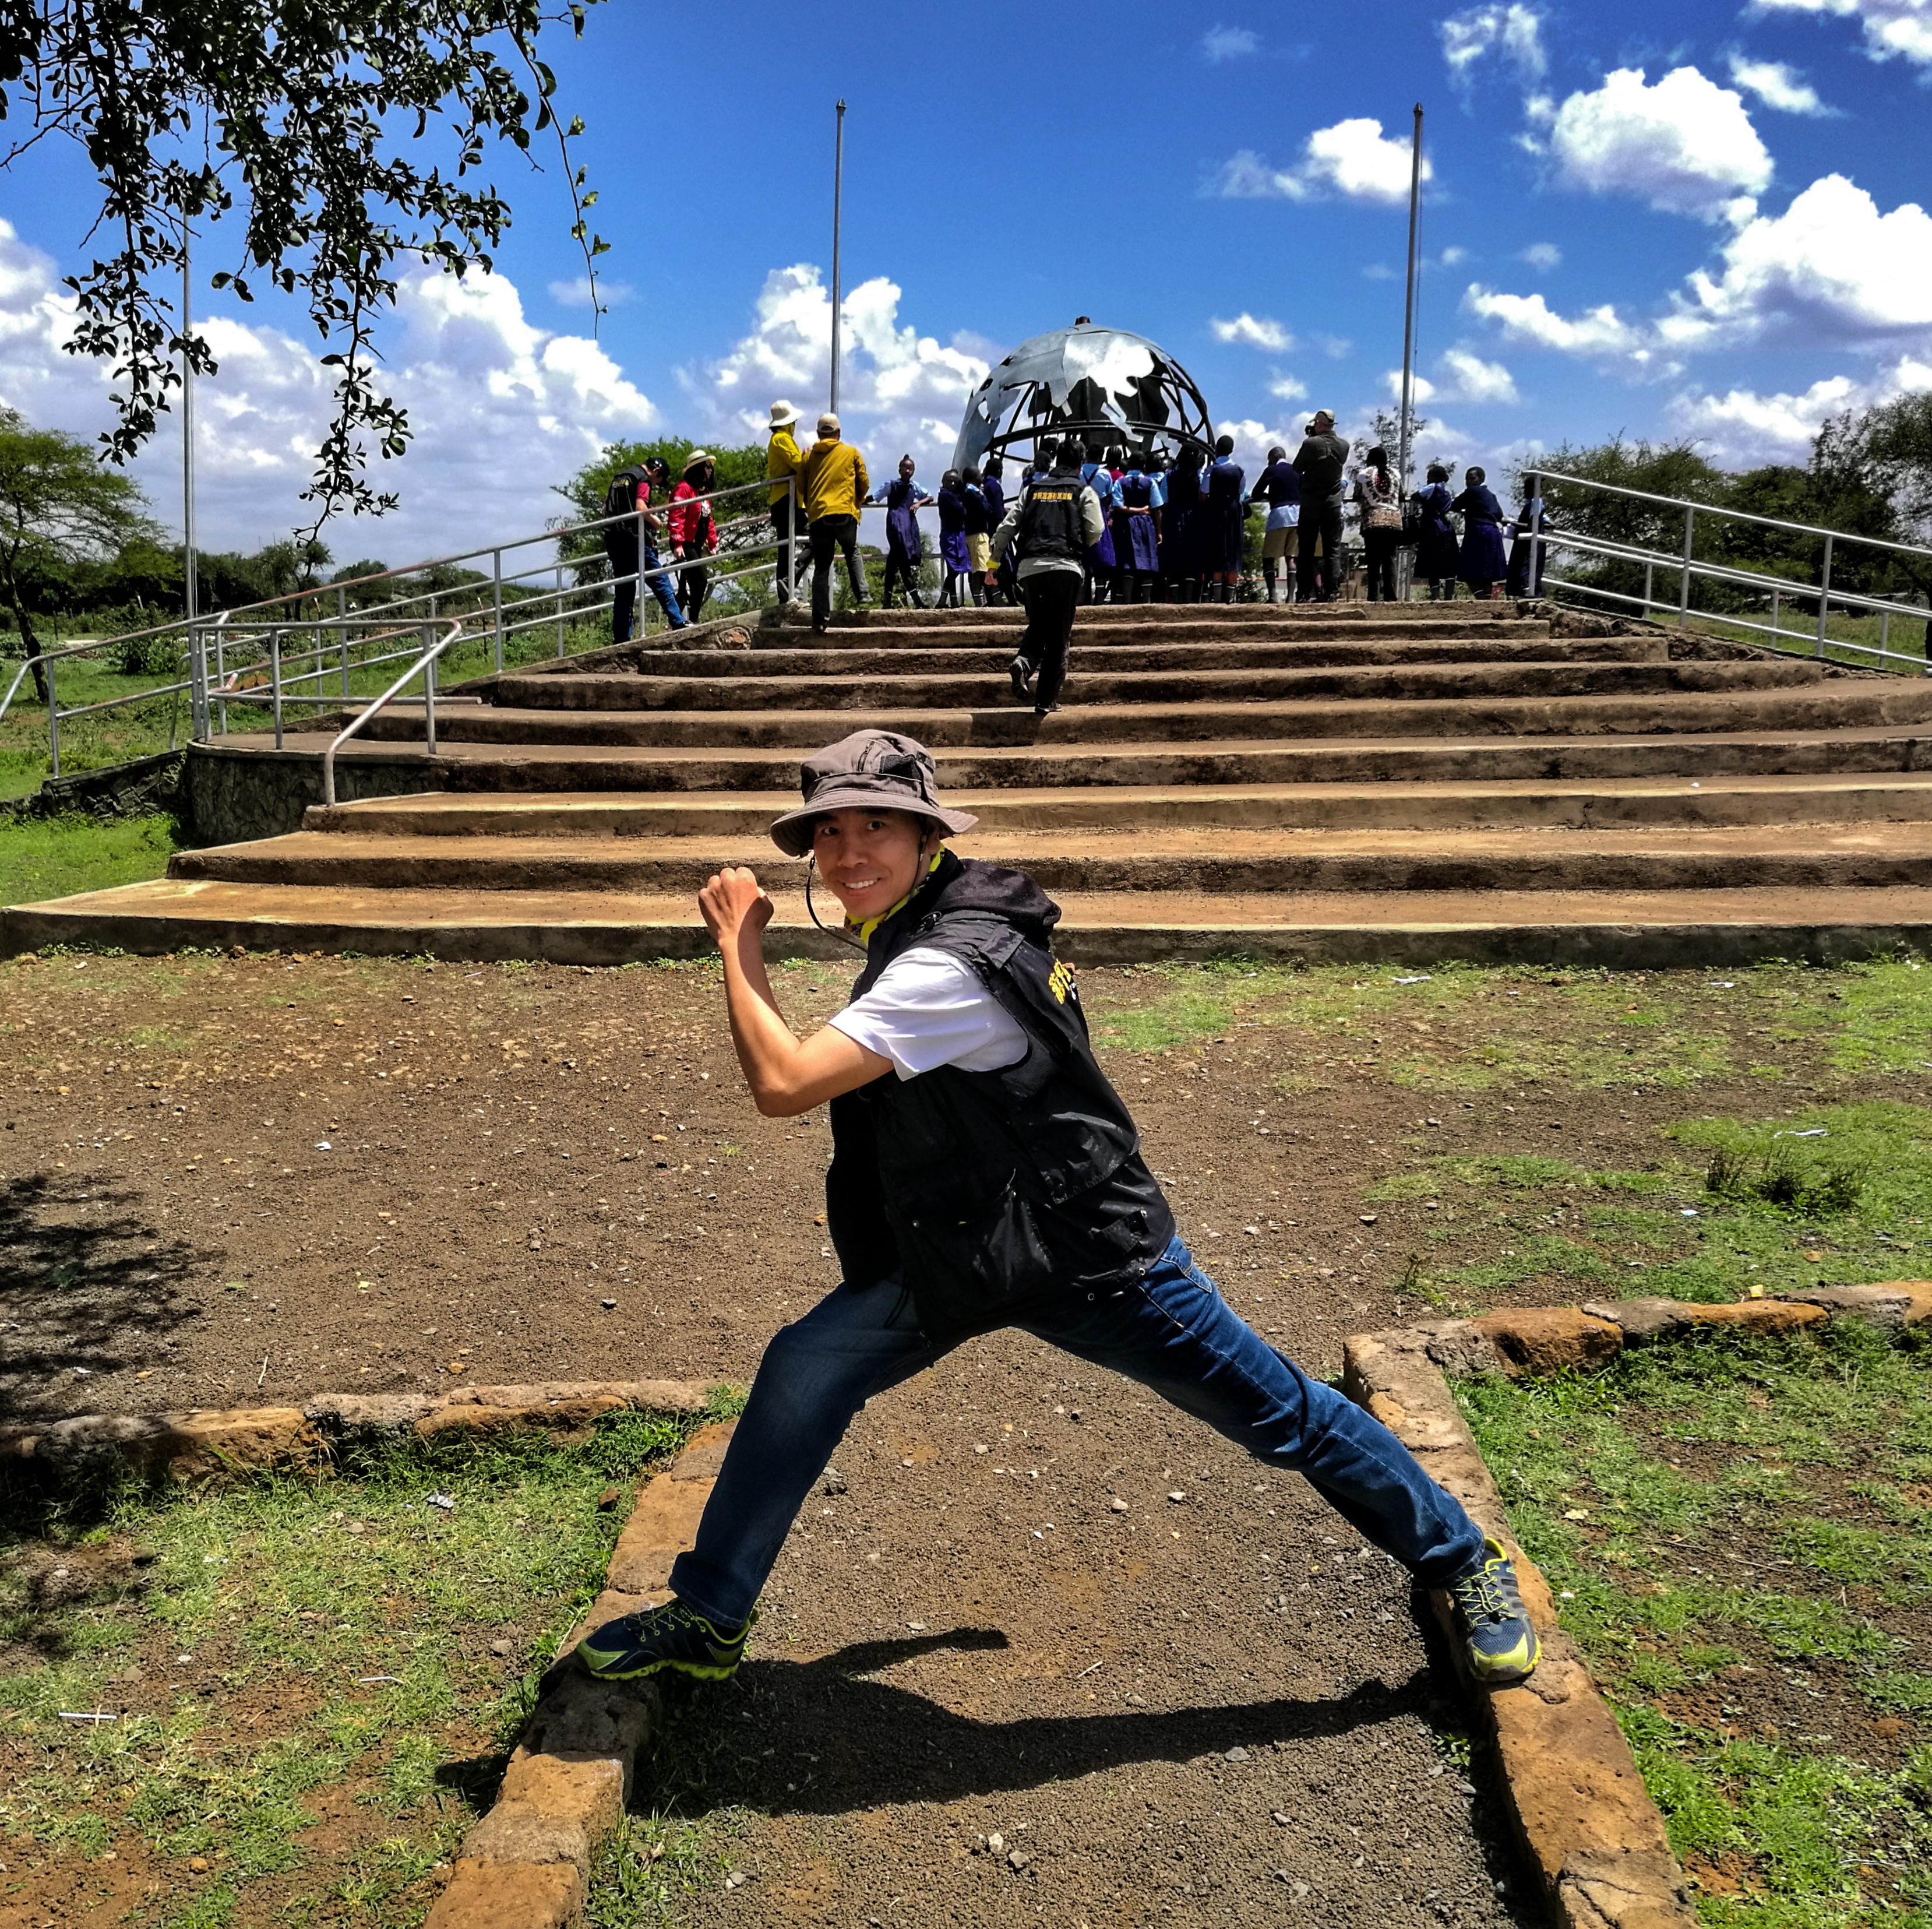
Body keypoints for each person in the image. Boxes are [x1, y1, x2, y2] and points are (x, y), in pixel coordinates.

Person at [569, 727, 1544, 1694]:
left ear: (928, 836)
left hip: (1086, 1253)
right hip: (964, 1243)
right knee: (802, 1370)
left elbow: (784, 1083)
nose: (848, 851)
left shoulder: (949, 964)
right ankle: (711, 1615)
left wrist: (738, 943)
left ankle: (1464, 1559)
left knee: (1279, 1415)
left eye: (877, 826)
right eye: (829, 832)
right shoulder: (936, 919)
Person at [991, 441, 1105, 714]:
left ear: (1056, 461)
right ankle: (1046, 700)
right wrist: (1079, 543)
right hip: (1066, 566)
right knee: (1059, 635)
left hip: (1031, 568)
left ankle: (1024, 662)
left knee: (1040, 623)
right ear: (1080, 463)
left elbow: (1007, 527)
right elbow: (1096, 529)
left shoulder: (1032, 489)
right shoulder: (1083, 490)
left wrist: (993, 564)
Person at [600, 457, 687, 639]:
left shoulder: (619, 478)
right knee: (660, 580)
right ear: (656, 472)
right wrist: (656, 522)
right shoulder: (643, 479)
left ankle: (621, 639)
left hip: (614, 540)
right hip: (634, 541)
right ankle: (678, 622)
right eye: (658, 481)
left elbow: (605, 510)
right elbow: (641, 507)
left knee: (624, 592)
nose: (655, 485)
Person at [801, 413, 870, 634]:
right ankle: (863, 594)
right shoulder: (851, 453)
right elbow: (864, 482)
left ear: (818, 434)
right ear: (838, 433)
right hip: (845, 514)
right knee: (851, 551)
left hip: (819, 516)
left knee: (822, 566)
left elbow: (801, 486)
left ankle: (820, 619)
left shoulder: (809, 458)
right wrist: (858, 500)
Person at [1292, 410, 1351, 602]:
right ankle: (1332, 592)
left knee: (1306, 550)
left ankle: (1303, 593)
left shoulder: (1310, 444)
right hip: (1333, 504)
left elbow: (1297, 468)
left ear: (1318, 424)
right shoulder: (1344, 445)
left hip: (1311, 504)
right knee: (1332, 550)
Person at [873, 456, 933, 609]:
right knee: (902, 560)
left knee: (895, 561)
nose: (907, 471)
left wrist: (918, 503)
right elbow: (876, 497)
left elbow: (930, 497)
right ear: (899, 470)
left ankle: (887, 601)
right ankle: (916, 602)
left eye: (910, 469)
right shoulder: (891, 485)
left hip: (908, 525)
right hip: (896, 524)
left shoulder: (914, 486)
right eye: (905, 468)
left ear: (914, 470)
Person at [766, 401, 809, 604]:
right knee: (787, 548)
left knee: (797, 544)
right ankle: (785, 590)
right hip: (786, 499)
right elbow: (799, 464)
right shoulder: (781, 439)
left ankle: (788, 583)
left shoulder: (782, 439)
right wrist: (807, 457)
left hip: (792, 499)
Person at [1247, 445, 1301, 606]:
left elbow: (1256, 492)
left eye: (1269, 459)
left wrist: (1270, 496)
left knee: (1268, 558)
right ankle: (1291, 597)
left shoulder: (1271, 471)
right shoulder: (1297, 469)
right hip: (1298, 515)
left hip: (1280, 515)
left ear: (1273, 457)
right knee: (1291, 557)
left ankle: (1273, 597)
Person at [669, 450, 718, 622]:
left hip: (696, 544)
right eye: (707, 467)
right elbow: (676, 516)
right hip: (685, 543)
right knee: (701, 580)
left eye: (711, 467)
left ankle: (683, 621)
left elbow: (708, 519)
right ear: (698, 469)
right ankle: (693, 620)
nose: (710, 470)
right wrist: (678, 544)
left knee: (692, 583)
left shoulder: (703, 492)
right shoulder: (684, 489)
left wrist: (712, 543)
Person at [1201, 434, 1247, 603]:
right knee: (1233, 553)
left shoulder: (1211, 470)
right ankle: (1230, 598)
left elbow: (1204, 494)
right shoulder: (1240, 471)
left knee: (1217, 552)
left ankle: (1217, 597)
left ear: (1216, 450)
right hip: (1234, 514)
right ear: (1231, 451)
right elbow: (1241, 492)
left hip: (1216, 513)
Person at [1355, 446, 1404, 603]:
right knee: (1390, 559)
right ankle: (1391, 596)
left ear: (1370, 460)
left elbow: (1356, 495)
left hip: (1373, 522)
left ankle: (1373, 597)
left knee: (1373, 561)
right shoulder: (1396, 473)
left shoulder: (1363, 475)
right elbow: (1402, 495)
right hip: (1394, 521)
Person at [1452, 465, 1508, 600]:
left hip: (1478, 532)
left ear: (1481, 479)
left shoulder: (1472, 491)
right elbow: (1499, 515)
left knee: (1466, 569)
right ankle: (1487, 601)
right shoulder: (1492, 496)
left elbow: (1455, 505)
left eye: (1472, 478)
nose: (1468, 482)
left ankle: (1481, 598)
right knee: (1487, 572)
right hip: (1493, 533)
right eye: (1467, 479)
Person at [1112, 455, 1161, 603]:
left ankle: (1127, 602)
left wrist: (1134, 510)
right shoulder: (1150, 482)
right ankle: (1146, 601)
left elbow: (1118, 506)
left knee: (1127, 563)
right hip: (1146, 525)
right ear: (1144, 465)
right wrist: (1159, 531)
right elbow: (1156, 508)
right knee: (1147, 561)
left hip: (1125, 525)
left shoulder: (1120, 482)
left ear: (1129, 464)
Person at [1413, 462, 1459, 600]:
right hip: (1446, 527)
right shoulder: (1446, 493)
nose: (1428, 479)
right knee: (1449, 561)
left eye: (1429, 476)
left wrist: (1423, 501)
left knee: (1432, 560)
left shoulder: (1432, 487)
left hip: (1432, 526)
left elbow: (1416, 495)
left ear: (1435, 478)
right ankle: (1449, 597)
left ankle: (1436, 596)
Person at [1080, 443, 1120, 604]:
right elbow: (1110, 496)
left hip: (1081, 514)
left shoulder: (1079, 473)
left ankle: (1083, 598)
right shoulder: (1104, 474)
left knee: (1083, 556)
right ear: (1101, 457)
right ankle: (1099, 599)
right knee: (1100, 557)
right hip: (1099, 513)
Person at [1162, 446, 1202, 602]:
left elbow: (1164, 502)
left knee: (1173, 562)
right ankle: (1188, 601)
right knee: (1191, 562)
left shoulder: (1169, 477)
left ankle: (1176, 603)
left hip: (1173, 520)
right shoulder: (1199, 477)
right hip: (1194, 522)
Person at [963, 465, 999, 609]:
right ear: (975, 477)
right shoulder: (972, 494)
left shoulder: (969, 493)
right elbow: (987, 509)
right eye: (979, 475)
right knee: (980, 569)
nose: (982, 477)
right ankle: (983, 602)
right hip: (977, 535)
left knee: (982, 566)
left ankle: (989, 599)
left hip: (976, 534)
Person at [1506, 473, 1546, 600]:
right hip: (1526, 543)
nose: (1525, 491)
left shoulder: (1536, 503)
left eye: (1527, 488)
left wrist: (1511, 522)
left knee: (1526, 569)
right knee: (1523, 569)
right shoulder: (1531, 503)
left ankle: (1530, 595)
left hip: (1529, 544)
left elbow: (1531, 526)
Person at [934, 470, 971, 607]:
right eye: (950, 481)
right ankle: (942, 600)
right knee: (955, 568)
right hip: (951, 536)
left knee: (952, 569)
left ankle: (953, 601)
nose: (953, 484)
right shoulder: (946, 496)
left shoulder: (952, 495)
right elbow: (962, 511)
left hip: (956, 534)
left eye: (956, 481)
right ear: (943, 481)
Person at [981, 462, 1015, 605]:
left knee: (991, 566)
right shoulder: (994, 486)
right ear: (999, 471)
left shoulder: (984, 485)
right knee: (1004, 566)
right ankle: (1010, 599)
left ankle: (994, 599)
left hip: (986, 531)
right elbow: (997, 513)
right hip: (996, 531)